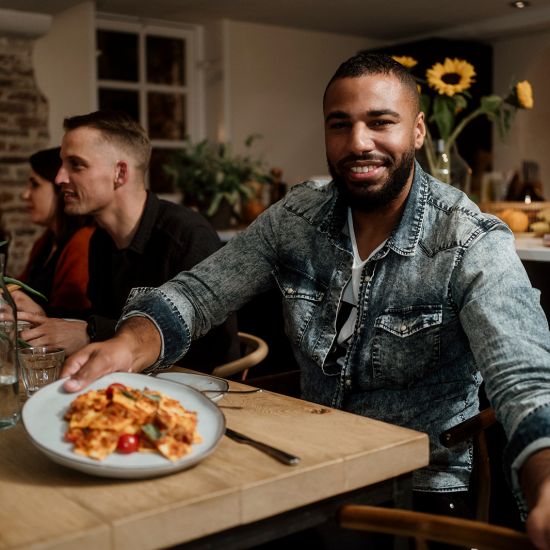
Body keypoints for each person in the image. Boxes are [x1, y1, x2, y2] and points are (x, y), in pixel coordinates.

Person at [61, 55, 550, 548]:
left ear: (418, 130)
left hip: (416, 489)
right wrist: (127, 343)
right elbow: (199, 292)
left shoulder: (469, 239)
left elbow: (524, 374)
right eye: (341, 124)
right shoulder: (295, 218)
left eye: (381, 122)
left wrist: (545, 477)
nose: (358, 142)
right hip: (309, 466)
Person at [15, 111, 239, 369]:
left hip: (199, 392)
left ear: (119, 173)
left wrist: (92, 333)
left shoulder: (187, 236)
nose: (60, 178)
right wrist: (41, 315)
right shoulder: (100, 239)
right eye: (62, 165)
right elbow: (106, 317)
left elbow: (211, 350)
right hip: (131, 382)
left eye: (76, 165)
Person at [16, 146, 94, 318]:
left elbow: (73, 318)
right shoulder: (46, 241)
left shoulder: (82, 242)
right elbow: (18, 288)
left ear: (60, 190)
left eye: (35, 185)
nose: (25, 194)